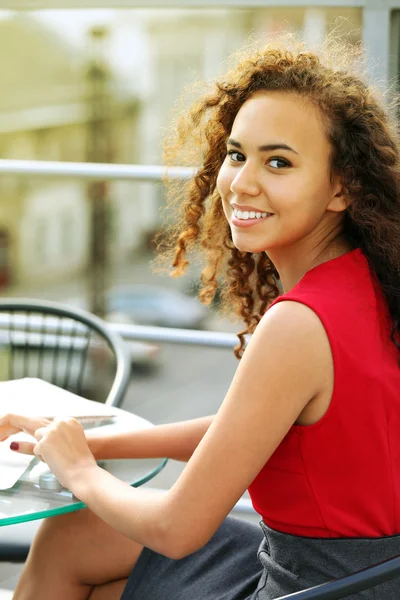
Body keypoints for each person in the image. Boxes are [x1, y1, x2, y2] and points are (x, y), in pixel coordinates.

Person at [3, 34, 400, 599]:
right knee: (78, 537)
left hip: (312, 587)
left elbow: (176, 529)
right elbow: (251, 431)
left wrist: (78, 473)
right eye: (237, 154)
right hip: (369, 576)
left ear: (342, 187)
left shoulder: (299, 324)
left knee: (74, 531)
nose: (241, 181)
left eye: (279, 162)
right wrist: (92, 443)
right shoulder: (367, 282)